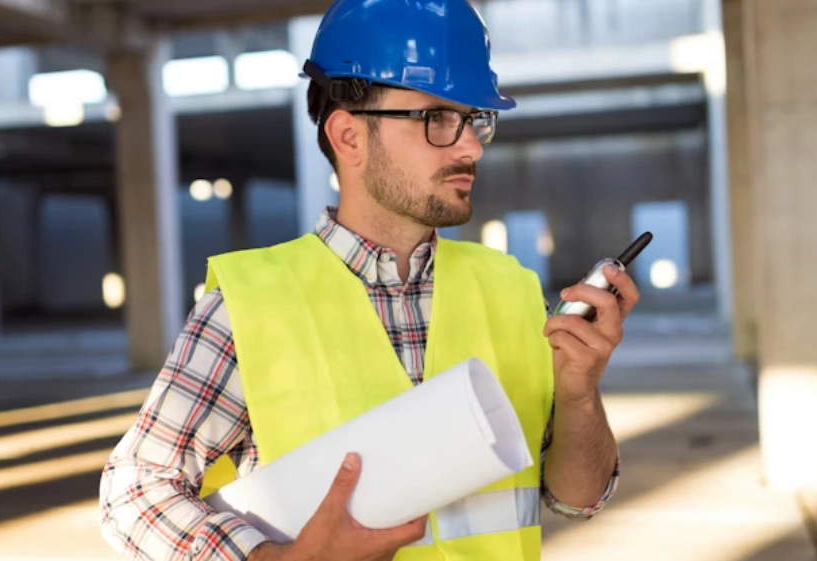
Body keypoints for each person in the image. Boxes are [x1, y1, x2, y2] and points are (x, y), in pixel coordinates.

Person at [100, 0, 639, 559]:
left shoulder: (514, 291)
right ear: (349, 136)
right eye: (437, 119)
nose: (472, 146)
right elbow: (132, 491)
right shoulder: (248, 304)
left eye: (475, 119)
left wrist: (579, 396)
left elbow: (578, 499)